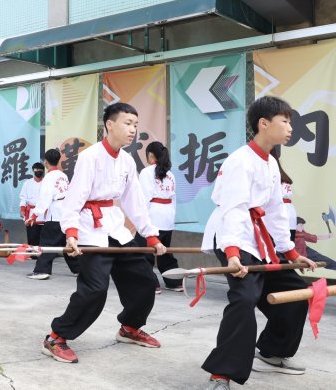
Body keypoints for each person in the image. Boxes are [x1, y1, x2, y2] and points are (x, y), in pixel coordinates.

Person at [200, 96, 317, 390]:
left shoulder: (271, 163)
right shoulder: (241, 161)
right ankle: (221, 374)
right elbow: (234, 210)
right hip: (233, 237)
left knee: (297, 292)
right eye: (285, 121)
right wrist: (232, 254)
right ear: (263, 124)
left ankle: (273, 351)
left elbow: (276, 211)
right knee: (244, 299)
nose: (290, 126)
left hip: (258, 238)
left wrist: (290, 253)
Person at [41, 102, 166, 364]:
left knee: (144, 280)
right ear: (110, 124)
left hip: (114, 228)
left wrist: (150, 235)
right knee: (95, 289)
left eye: (135, 124)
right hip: (88, 229)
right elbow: (74, 199)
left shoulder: (127, 160)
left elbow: (134, 200)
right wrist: (71, 233)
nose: (132, 129)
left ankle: (130, 327)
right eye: (127, 123)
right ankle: (56, 337)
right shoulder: (91, 157)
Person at [136, 141, 182, 293]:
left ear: (150, 155)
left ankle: (151, 283)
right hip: (167, 216)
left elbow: (145, 197)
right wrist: (171, 217)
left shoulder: (146, 172)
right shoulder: (170, 174)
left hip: (153, 216)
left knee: (144, 251)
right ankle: (174, 282)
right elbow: (174, 199)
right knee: (165, 252)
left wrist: (143, 220)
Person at [27, 149, 80, 280]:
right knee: (66, 244)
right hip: (66, 213)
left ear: (45, 162)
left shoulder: (49, 178)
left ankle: (42, 271)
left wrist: (34, 216)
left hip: (55, 214)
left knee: (48, 243)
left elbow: (44, 198)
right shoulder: (64, 175)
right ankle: (79, 269)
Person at [19, 162, 44, 246]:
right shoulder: (27, 183)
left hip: (43, 212)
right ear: (33, 171)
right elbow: (23, 197)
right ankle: (32, 251)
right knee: (32, 233)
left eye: (40, 170)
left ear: (43, 171)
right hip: (31, 211)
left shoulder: (46, 183)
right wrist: (22, 208)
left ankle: (43, 252)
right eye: (36, 170)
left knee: (43, 233)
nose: (38, 171)